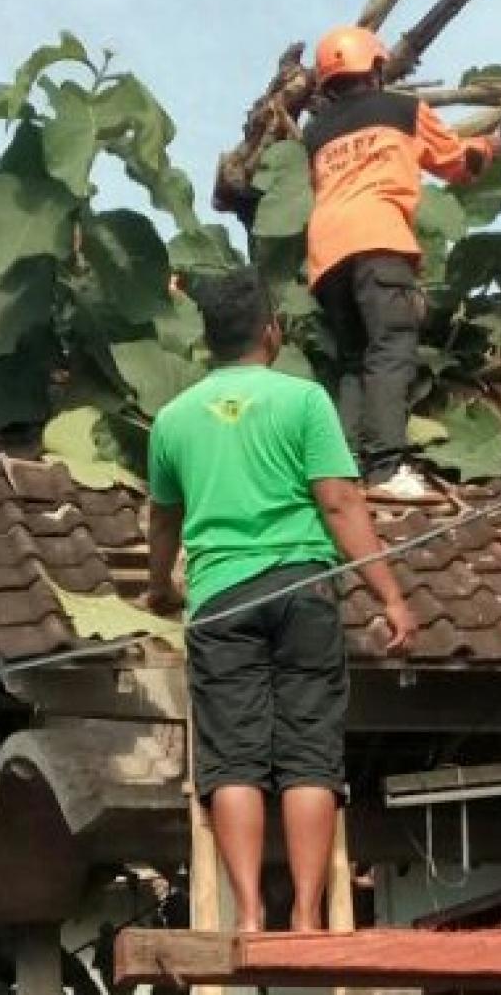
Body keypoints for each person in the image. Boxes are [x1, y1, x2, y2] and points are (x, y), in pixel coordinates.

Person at [145, 268, 417, 932]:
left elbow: (163, 523)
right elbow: (340, 502)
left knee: (233, 760)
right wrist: (389, 595)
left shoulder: (172, 421)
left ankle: (247, 915)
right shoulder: (304, 401)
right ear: (271, 333)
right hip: (303, 591)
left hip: (219, 600)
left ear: (208, 340)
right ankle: (305, 915)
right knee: (309, 756)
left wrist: (159, 588)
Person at [305, 25, 501, 500]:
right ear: (374, 67)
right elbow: (455, 163)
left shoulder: (315, 133)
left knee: (352, 361)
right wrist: (488, 149)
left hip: (327, 252)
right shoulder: (402, 109)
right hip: (378, 238)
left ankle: (343, 470)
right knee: (391, 348)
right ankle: (386, 467)